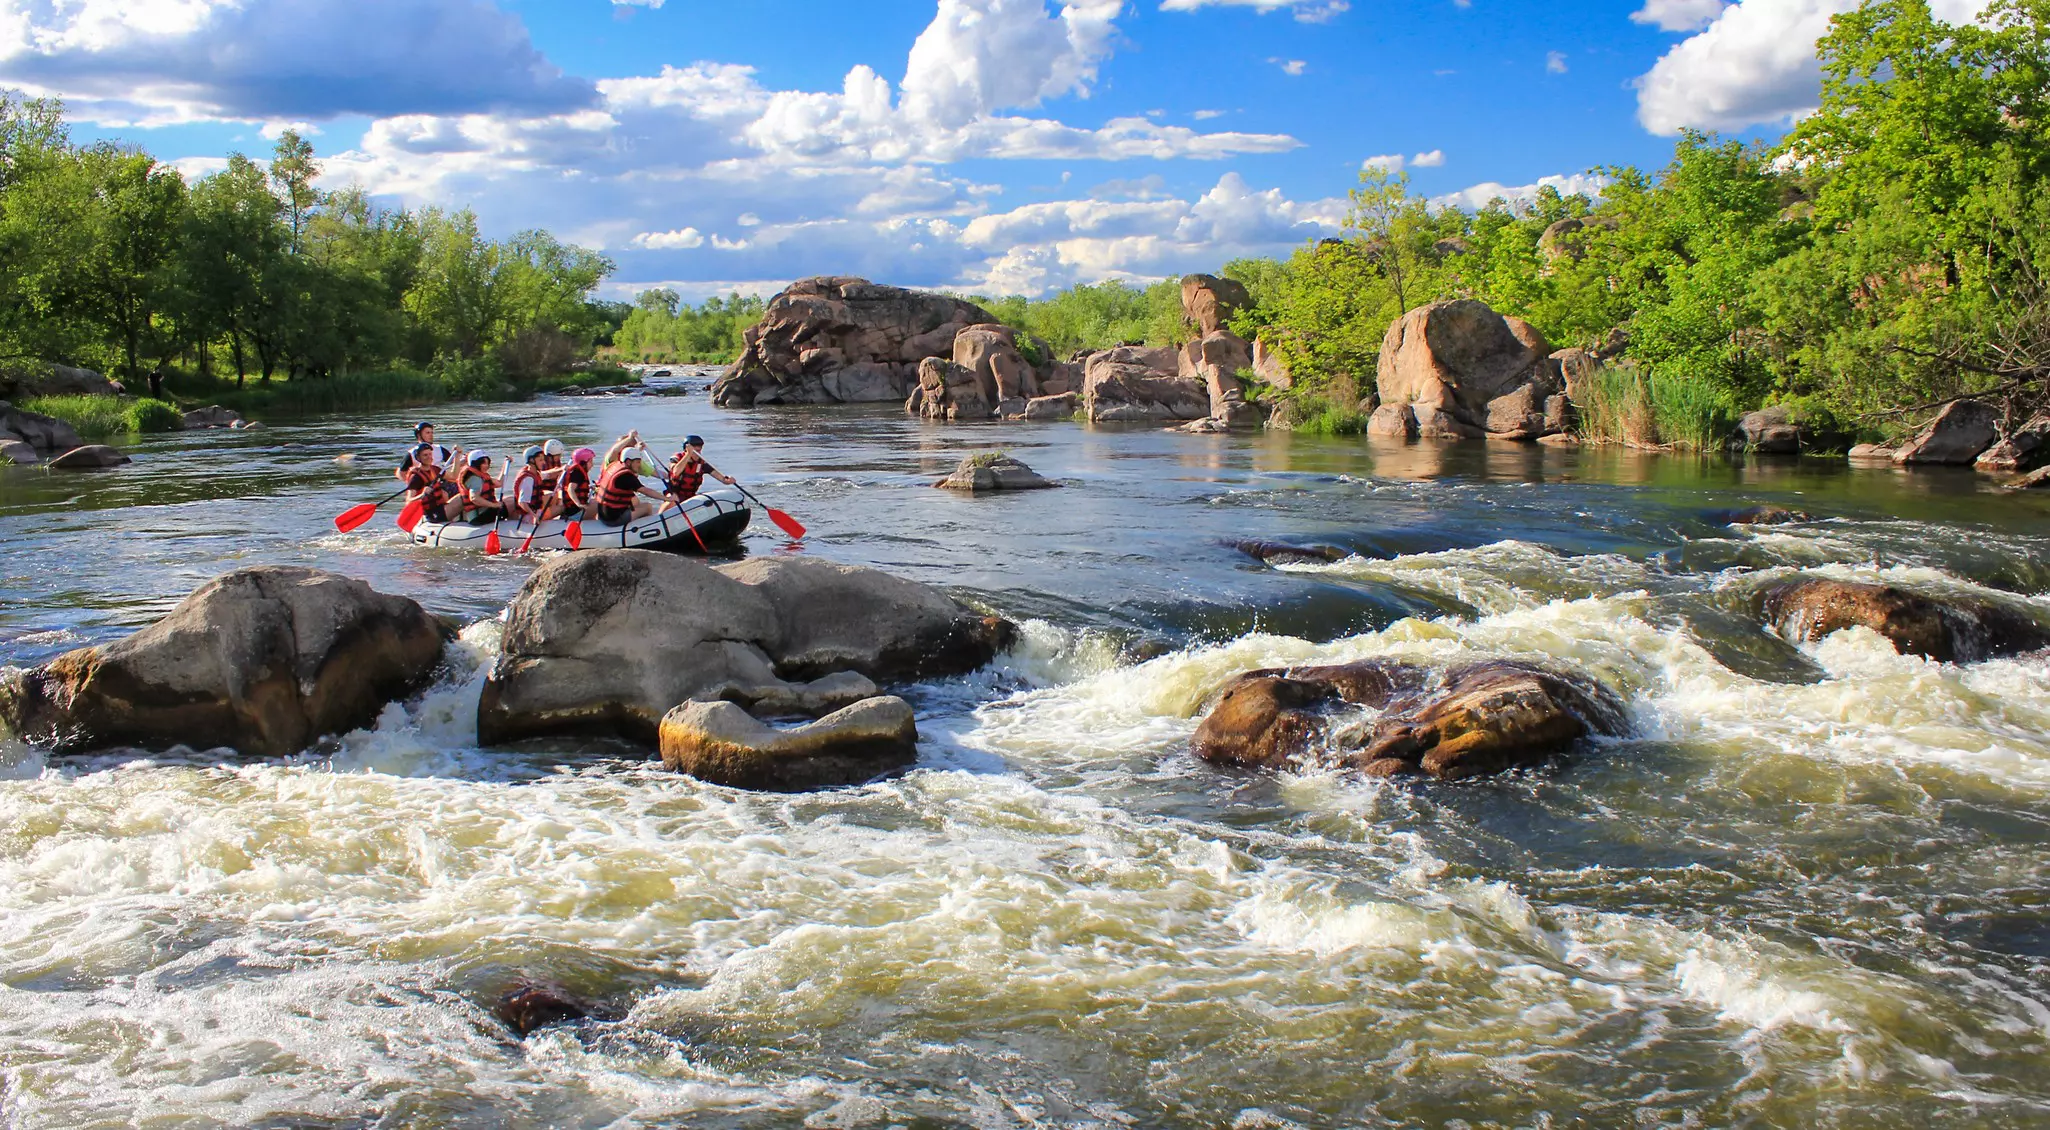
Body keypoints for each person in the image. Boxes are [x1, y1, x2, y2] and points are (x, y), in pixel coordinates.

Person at [594, 446, 668, 526]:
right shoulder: (626, 476)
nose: (639, 465)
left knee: (635, 501)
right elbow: (646, 491)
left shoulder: (615, 466)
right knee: (647, 506)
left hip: (602, 514)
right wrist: (667, 498)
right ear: (629, 462)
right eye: (638, 462)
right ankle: (647, 528)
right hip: (613, 519)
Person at [664, 434, 736, 503]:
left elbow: (722, 479)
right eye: (695, 452)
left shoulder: (702, 463)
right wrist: (688, 454)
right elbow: (675, 472)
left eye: (699, 451)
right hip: (674, 494)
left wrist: (727, 480)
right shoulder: (676, 459)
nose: (698, 454)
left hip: (691, 496)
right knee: (672, 501)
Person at [402, 443, 457, 524]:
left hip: (440, 507)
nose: (429, 457)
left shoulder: (435, 470)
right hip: (431, 514)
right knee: (461, 499)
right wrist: (422, 495)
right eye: (425, 455)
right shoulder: (416, 477)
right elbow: (408, 502)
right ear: (418, 458)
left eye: (430, 454)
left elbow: (454, 476)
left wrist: (457, 456)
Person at [456, 452, 504, 524]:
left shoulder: (480, 476)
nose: (487, 466)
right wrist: (494, 505)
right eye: (483, 463)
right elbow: (474, 499)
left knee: (508, 500)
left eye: (488, 463)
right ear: (476, 463)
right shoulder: (475, 479)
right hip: (477, 517)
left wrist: (505, 465)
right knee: (510, 504)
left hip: (483, 512)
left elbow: (499, 483)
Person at [506, 446, 549, 523]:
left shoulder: (534, 473)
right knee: (560, 508)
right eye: (540, 460)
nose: (544, 462)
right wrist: (534, 515)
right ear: (532, 461)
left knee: (552, 495)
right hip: (527, 516)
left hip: (533, 511)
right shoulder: (528, 479)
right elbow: (522, 502)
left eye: (543, 460)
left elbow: (549, 475)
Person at [552, 447, 597, 519]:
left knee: (595, 500)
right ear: (583, 463)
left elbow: (578, 487)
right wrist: (578, 504)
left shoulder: (576, 472)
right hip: (575, 512)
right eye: (590, 462)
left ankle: (591, 520)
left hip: (572, 510)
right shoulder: (578, 473)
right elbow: (570, 489)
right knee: (599, 504)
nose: (592, 465)